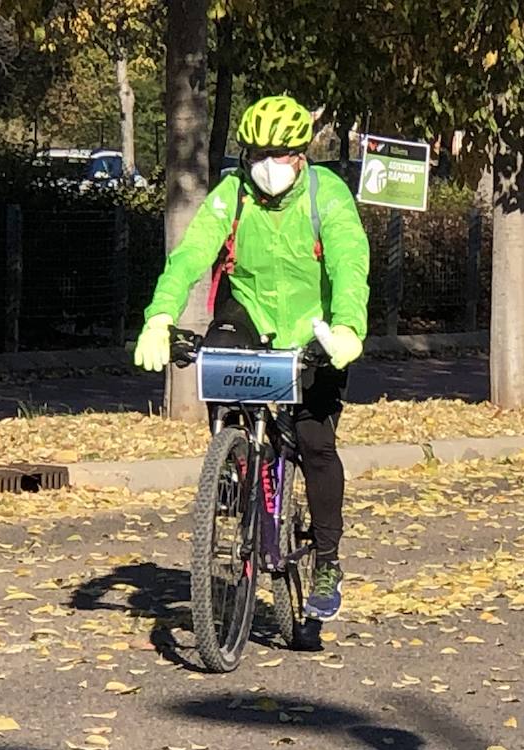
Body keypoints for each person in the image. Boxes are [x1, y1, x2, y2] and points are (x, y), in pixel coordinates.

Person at [133, 95, 369, 621]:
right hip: (250, 316)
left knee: (314, 442)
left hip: (317, 328)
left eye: (281, 154)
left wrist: (349, 326)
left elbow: (351, 261)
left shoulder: (325, 195)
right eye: (259, 153)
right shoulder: (232, 195)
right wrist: (158, 315)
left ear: (302, 155)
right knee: (221, 373)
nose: (269, 165)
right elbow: (191, 254)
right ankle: (235, 466)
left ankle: (327, 562)